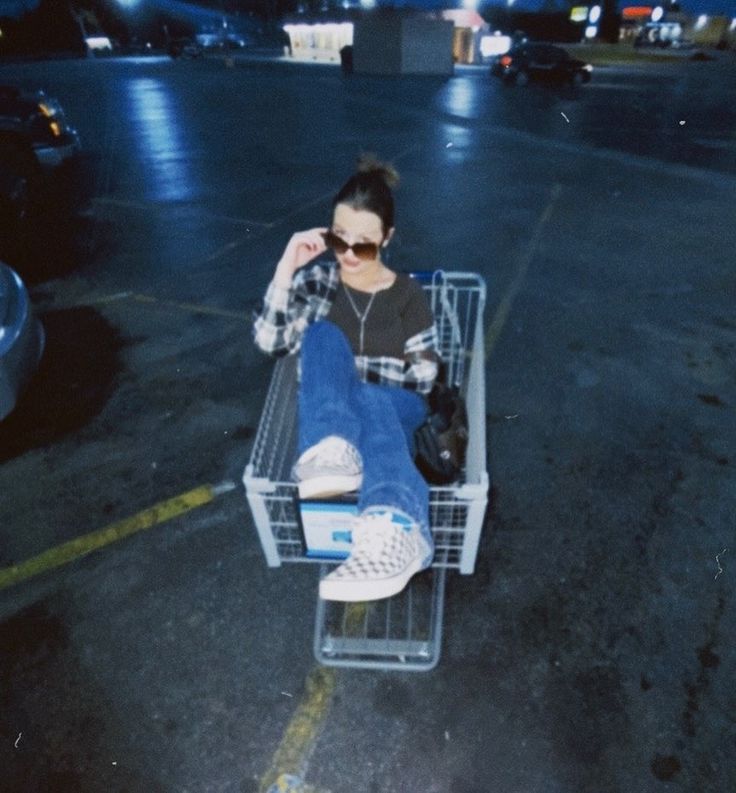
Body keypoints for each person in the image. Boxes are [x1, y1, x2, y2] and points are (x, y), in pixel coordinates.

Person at [253, 156, 439, 602]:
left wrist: (365, 375)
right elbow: (268, 340)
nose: (350, 255)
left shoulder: (407, 295)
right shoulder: (318, 281)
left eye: (366, 246)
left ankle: (383, 519)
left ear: (387, 239)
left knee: (372, 399)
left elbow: (426, 376)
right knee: (320, 334)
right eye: (340, 239)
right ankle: (392, 525)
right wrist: (286, 267)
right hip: (342, 421)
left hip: (399, 404)